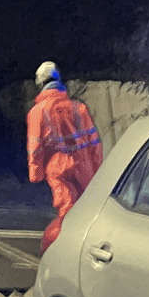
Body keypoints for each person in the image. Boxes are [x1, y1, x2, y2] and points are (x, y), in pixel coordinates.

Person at [26, 61, 103, 254]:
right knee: (88, 210)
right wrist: (98, 168)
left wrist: (36, 173)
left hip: (58, 168)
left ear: (39, 83)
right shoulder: (79, 108)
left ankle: (68, 253)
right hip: (85, 166)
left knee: (67, 211)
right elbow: (94, 142)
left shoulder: (37, 112)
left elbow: (35, 148)